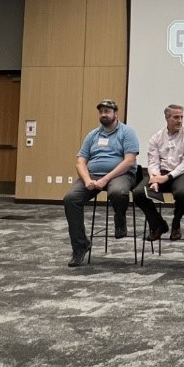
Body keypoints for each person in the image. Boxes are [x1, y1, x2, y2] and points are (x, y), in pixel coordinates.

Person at [63, 99, 140, 267]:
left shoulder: (127, 132)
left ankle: (119, 219)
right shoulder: (92, 135)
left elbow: (129, 161)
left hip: (120, 174)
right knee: (70, 199)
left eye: (108, 111)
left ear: (115, 114)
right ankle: (80, 246)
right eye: (101, 112)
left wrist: (105, 179)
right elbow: (80, 162)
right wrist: (87, 179)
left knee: (118, 193)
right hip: (92, 176)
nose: (104, 114)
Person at [133, 103, 184, 242]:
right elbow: (153, 161)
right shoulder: (156, 138)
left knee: (182, 193)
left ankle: (176, 224)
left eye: (181, 117)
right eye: (176, 117)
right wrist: (155, 178)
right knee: (139, 193)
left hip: (183, 174)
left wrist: (167, 177)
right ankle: (158, 224)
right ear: (167, 118)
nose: (179, 120)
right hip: (160, 173)